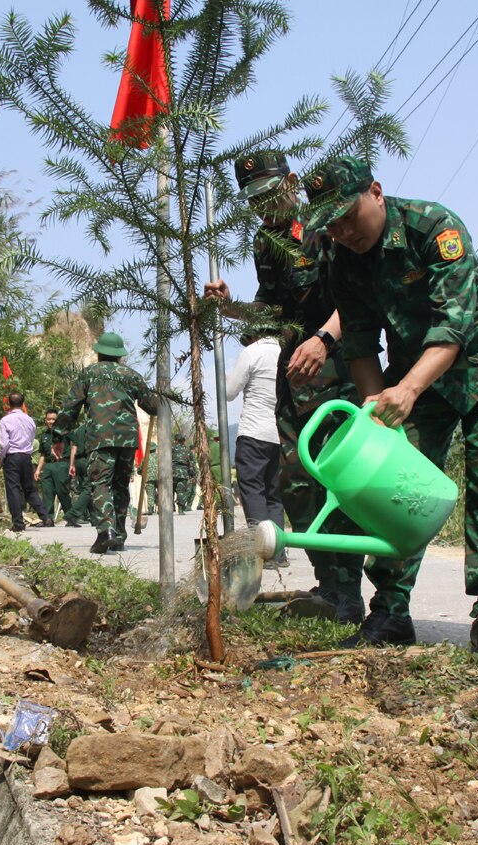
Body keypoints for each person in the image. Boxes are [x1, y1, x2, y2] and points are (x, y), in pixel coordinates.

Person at [304, 154, 478, 659]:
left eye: (347, 215)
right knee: (391, 487)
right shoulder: (342, 260)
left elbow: (452, 330)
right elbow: (361, 343)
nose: (342, 231)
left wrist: (406, 389)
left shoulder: (435, 228)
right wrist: (372, 407)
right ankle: (390, 609)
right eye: (331, 224)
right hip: (415, 385)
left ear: (377, 193)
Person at [202, 151, 370, 623]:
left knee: (339, 480)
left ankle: (350, 588)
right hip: (292, 379)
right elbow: (274, 311)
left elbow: (355, 299)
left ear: (292, 182)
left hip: (337, 374)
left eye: (270, 195)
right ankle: (329, 580)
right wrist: (233, 308)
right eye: (253, 201)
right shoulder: (265, 242)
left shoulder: (326, 226)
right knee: (294, 482)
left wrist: (323, 338)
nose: (263, 207)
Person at [55, 332, 158, 554]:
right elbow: (153, 407)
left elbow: (70, 407)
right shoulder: (132, 376)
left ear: (99, 353)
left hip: (100, 438)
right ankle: (119, 537)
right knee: (121, 485)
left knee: (100, 483)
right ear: (120, 356)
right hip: (128, 439)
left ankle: (106, 532)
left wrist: (58, 436)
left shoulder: (89, 373)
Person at [226, 323, 286, 563]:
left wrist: (226, 379)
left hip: (254, 432)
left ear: (253, 333)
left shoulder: (252, 352)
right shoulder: (285, 351)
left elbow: (229, 392)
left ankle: (263, 552)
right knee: (274, 495)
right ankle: (279, 552)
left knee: (252, 491)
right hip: (280, 434)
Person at [0, 392, 54, 532]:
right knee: (29, 489)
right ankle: (46, 517)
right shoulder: (30, 420)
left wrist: (0, 457)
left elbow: (4, 444)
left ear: (8, 404)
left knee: (13, 489)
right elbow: (31, 438)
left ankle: (18, 523)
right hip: (26, 457)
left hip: (12, 457)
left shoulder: (6, 420)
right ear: (23, 404)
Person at [34, 407, 74, 523]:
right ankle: (48, 519)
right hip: (48, 466)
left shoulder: (64, 433)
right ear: (45, 421)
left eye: (53, 419)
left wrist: (72, 464)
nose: (51, 421)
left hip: (61, 464)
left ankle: (70, 516)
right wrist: (38, 470)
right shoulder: (44, 436)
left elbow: (74, 447)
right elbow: (42, 454)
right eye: (48, 419)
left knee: (62, 491)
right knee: (47, 491)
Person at [64, 421, 91, 527]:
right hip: (87, 459)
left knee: (84, 488)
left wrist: (72, 464)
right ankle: (72, 513)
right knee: (89, 489)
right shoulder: (92, 428)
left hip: (78, 461)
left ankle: (93, 517)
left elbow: (74, 448)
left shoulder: (79, 429)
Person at [171, 432, 196, 513]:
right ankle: (181, 510)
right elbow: (191, 465)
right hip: (184, 474)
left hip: (172, 472)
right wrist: (192, 475)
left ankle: (171, 508)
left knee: (170, 491)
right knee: (181, 492)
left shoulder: (172, 449)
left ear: (176, 441)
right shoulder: (188, 451)